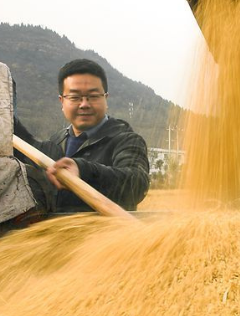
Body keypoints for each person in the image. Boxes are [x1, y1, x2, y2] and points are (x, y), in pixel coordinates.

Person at [14, 58, 149, 212]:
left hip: (105, 234)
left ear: (106, 99)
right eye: (75, 97)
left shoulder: (126, 140)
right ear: (62, 102)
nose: (84, 104)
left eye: (93, 96)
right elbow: (28, 148)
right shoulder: (57, 141)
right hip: (59, 233)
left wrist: (83, 171)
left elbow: (136, 184)